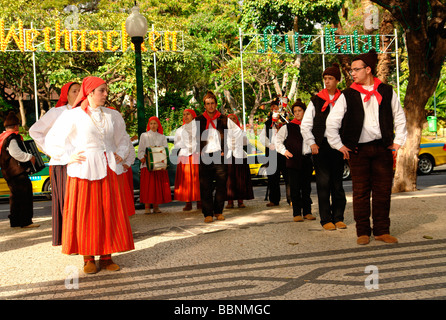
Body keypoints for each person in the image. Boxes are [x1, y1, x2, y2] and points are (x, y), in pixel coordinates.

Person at [45, 76, 134, 274]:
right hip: (84, 170)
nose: (105, 94)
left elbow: (124, 139)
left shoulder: (112, 115)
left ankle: (106, 256)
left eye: (106, 90)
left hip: (109, 170)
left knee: (108, 213)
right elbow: (52, 140)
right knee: (87, 214)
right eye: (102, 90)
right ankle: (88, 258)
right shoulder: (73, 115)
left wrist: (120, 154)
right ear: (90, 92)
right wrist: (68, 155)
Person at [325, 49, 407, 245]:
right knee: (360, 192)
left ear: (368, 69)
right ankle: (362, 231)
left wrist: (397, 143)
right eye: (351, 70)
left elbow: (400, 118)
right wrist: (339, 145)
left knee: (383, 191)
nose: (352, 73)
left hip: (383, 148)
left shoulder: (387, 91)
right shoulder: (348, 94)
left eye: (356, 69)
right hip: (358, 150)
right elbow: (332, 123)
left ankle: (381, 231)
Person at [29, 81, 80, 245]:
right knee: (68, 201)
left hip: (82, 163)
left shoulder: (85, 111)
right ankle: (68, 237)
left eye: (80, 90)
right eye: (74, 91)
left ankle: (82, 235)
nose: (78, 93)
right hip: (63, 163)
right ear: (66, 94)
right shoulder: (57, 112)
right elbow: (34, 131)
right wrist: (53, 151)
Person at [182, 91, 244, 223]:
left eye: (212, 103)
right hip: (204, 156)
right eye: (208, 104)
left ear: (216, 104)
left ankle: (218, 211)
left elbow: (237, 133)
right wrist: (196, 148)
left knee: (221, 185)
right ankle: (208, 214)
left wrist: (228, 149)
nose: (210, 106)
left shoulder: (224, 118)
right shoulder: (198, 120)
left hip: (219, 155)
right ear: (205, 105)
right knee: (206, 186)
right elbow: (185, 133)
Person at [301, 63, 347, 231]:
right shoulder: (316, 100)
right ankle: (325, 219)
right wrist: (312, 143)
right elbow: (305, 125)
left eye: (330, 79)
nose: (327, 82)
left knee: (338, 184)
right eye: (325, 79)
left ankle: (339, 217)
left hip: (338, 147)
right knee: (323, 183)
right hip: (321, 146)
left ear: (337, 80)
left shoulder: (344, 98)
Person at [276, 100, 315, 222]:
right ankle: (296, 213)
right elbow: (278, 141)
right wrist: (284, 151)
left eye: (300, 111)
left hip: (307, 159)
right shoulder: (288, 127)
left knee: (306, 187)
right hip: (293, 161)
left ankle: (307, 212)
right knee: (295, 187)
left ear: (304, 111)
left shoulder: (310, 126)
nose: (297, 113)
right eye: (295, 111)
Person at [0, 111, 39, 229]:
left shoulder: (3, 137)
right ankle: (26, 221)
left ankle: (15, 221)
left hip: (8, 172)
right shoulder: (12, 138)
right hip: (17, 172)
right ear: (16, 126)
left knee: (15, 197)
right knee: (25, 195)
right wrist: (29, 157)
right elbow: (15, 153)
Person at [258, 99, 290, 207]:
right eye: (272, 109)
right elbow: (262, 137)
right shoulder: (268, 123)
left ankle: (291, 199)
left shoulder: (286, 122)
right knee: (273, 177)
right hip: (272, 152)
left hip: (284, 152)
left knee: (288, 177)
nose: (273, 110)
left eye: (275, 108)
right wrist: (269, 144)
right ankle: (274, 200)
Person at [138, 116, 171, 214]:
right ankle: (147, 207)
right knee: (147, 186)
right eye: (151, 123)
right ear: (149, 125)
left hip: (158, 165)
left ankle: (156, 207)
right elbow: (140, 150)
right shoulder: (144, 135)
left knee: (156, 186)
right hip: (147, 166)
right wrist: (142, 157)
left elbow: (166, 150)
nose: (153, 125)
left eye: (155, 123)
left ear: (158, 125)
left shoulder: (162, 137)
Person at [173, 109, 201, 211]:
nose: (185, 116)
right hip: (184, 155)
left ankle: (199, 201)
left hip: (196, 155)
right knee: (186, 180)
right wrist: (186, 145)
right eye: (184, 115)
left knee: (197, 179)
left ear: (193, 116)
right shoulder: (180, 130)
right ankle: (188, 202)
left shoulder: (199, 128)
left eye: (188, 114)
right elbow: (177, 143)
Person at [225, 114, 254, 209]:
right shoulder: (224, 132)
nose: (232, 120)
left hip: (240, 157)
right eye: (230, 119)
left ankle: (240, 201)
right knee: (229, 180)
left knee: (240, 180)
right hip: (228, 157)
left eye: (234, 119)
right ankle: (230, 202)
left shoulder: (241, 131)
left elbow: (246, 143)